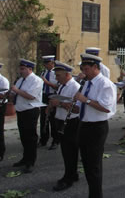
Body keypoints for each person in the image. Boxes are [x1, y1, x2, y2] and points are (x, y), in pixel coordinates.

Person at [74, 53, 117, 198]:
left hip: (97, 128)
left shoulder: (105, 84)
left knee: (94, 165)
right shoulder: (87, 82)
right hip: (84, 125)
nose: (83, 72)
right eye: (82, 69)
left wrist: (85, 100)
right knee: (86, 163)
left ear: (95, 67)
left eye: (86, 69)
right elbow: (82, 106)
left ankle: (96, 195)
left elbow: (106, 107)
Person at [49, 61, 81, 191]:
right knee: (66, 151)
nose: (56, 78)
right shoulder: (62, 85)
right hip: (61, 120)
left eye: (58, 75)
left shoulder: (75, 87)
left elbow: (77, 109)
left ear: (67, 74)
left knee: (70, 151)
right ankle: (73, 173)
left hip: (71, 123)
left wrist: (60, 104)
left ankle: (69, 177)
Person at [11, 59, 43, 173]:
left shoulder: (36, 80)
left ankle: (31, 161)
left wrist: (17, 90)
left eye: (23, 69)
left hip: (30, 110)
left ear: (30, 69)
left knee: (30, 137)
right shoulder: (21, 80)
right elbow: (16, 92)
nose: (21, 71)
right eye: (20, 69)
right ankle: (25, 158)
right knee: (23, 136)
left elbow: (31, 96)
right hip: (21, 110)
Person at [39, 55, 59, 149]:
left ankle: (55, 140)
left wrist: (46, 82)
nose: (46, 65)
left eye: (48, 63)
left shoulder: (56, 73)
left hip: (52, 95)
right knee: (43, 119)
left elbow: (57, 87)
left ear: (52, 63)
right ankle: (43, 139)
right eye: (45, 63)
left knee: (53, 120)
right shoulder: (43, 72)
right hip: (44, 96)